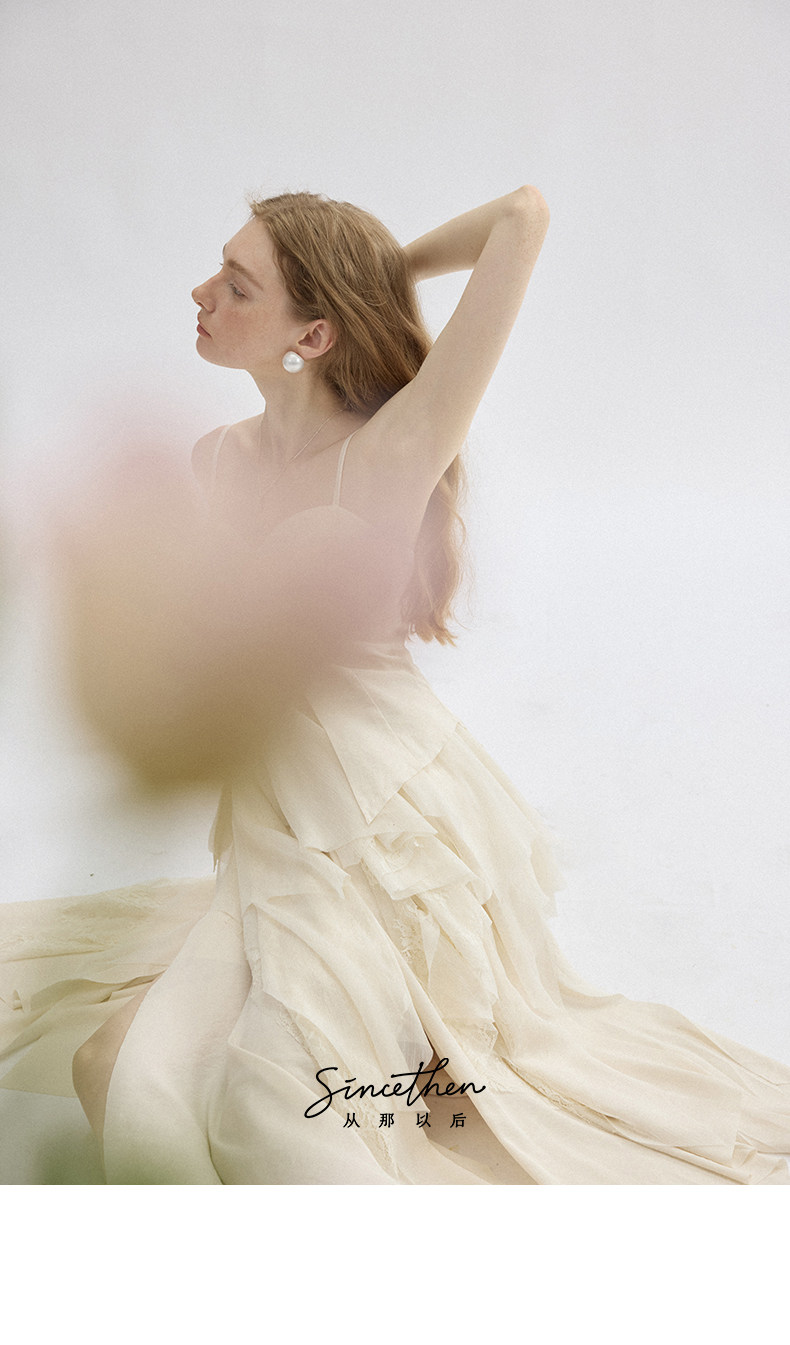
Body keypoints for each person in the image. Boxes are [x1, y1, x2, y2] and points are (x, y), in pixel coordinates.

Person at [1, 188, 789, 1184]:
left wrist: (383, 275)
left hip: (383, 824)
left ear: (313, 334)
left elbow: (522, 217)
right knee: (123, 1068)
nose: (201, 293)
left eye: (237, 285)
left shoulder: (395, 450)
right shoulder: (213, 462)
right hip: (273, 826)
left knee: (222, 1095)